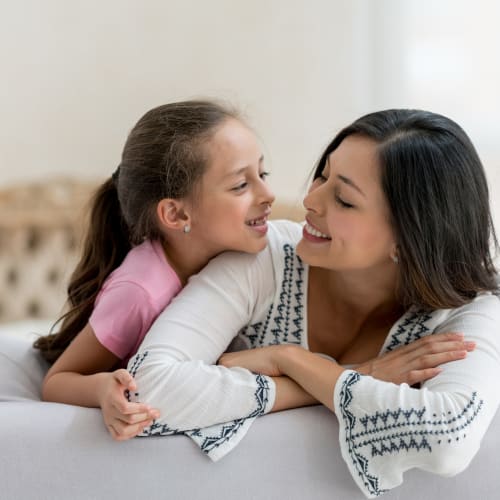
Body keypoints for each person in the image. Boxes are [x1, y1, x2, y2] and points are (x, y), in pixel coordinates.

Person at [127, 108, 499, 496]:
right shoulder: (265, 257)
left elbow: (448, 439)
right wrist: (359, 374)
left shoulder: (470, 311)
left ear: (409, 237)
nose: (310, 200)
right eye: (323, 175)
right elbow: (148, 387)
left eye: (343, 199)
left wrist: (288, 360)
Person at [34, 99, 275, 440]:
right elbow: (58, 382)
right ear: (176, 215)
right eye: (240, 185)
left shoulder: (237, 259)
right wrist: (103, 388)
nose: (268, 194)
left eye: (262, 174)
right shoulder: (140, 291)